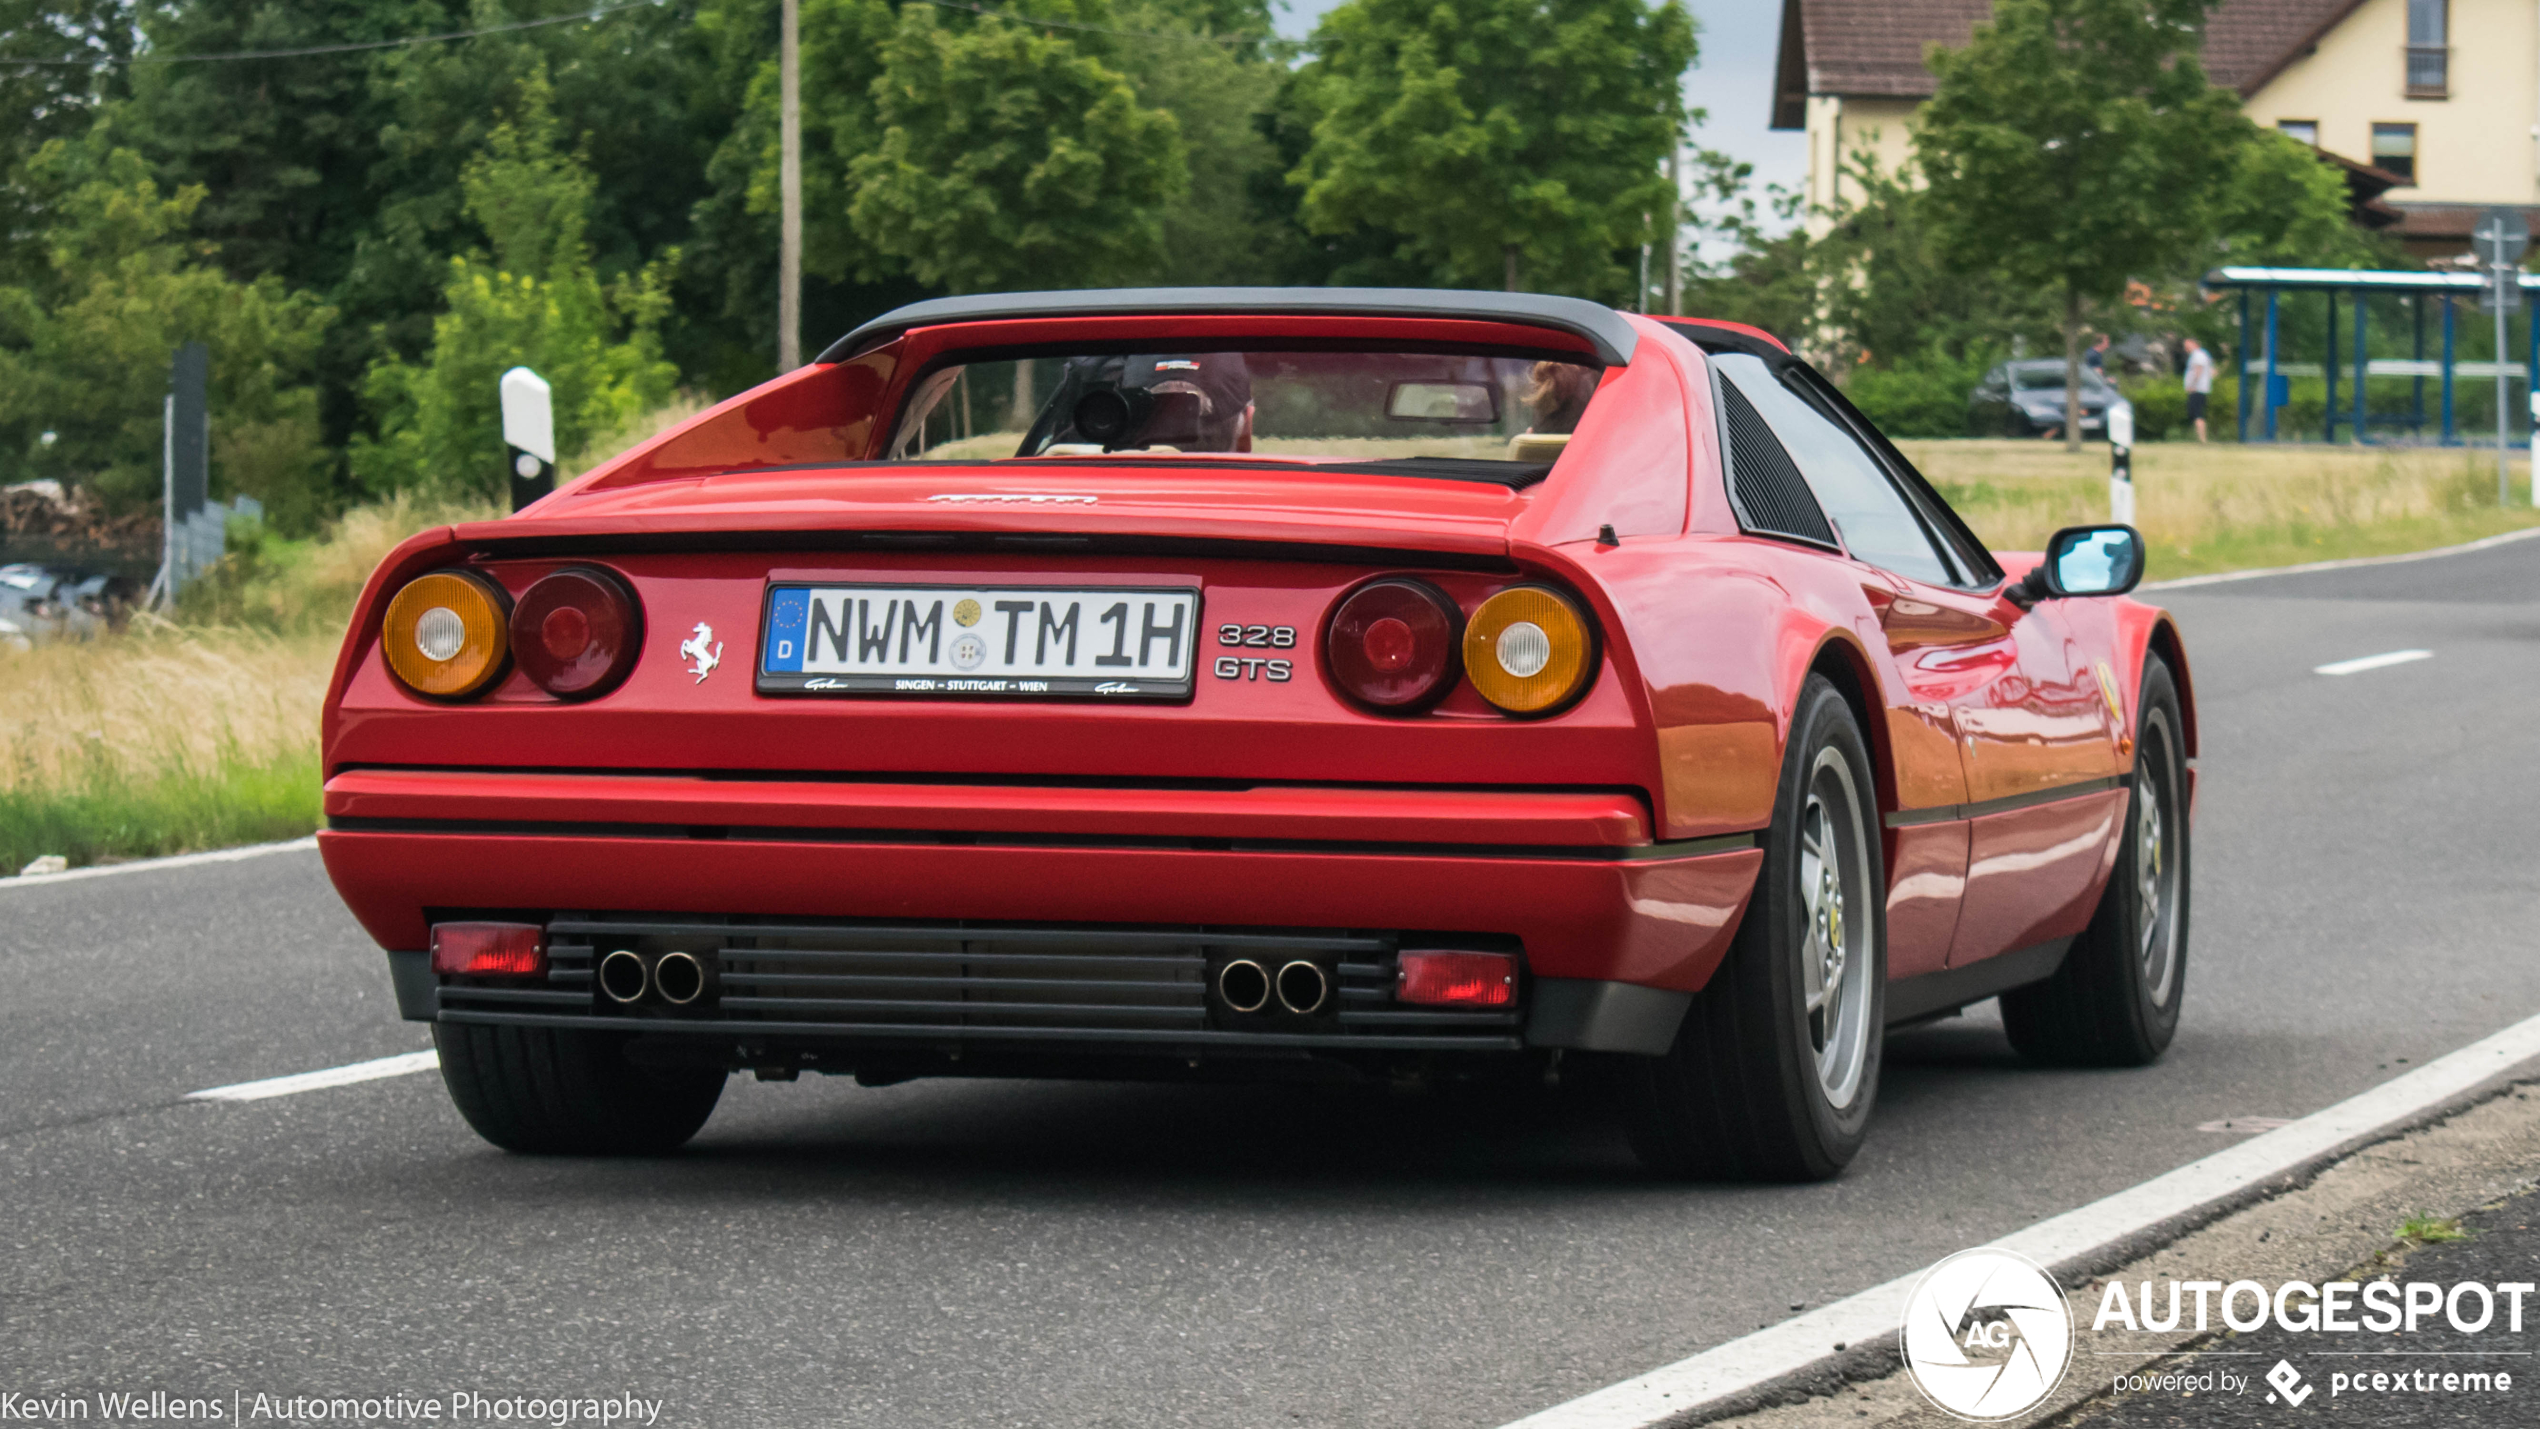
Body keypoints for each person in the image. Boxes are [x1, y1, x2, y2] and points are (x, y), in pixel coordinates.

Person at [2182, 337, 2216, 443]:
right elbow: (2213, 372)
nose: (2185, 347)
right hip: (2200, 388)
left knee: (2197, 414)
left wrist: (2193, 385)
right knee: (2196, 414)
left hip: (2197, 389)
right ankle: (2201, 438)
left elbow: (2198, 370)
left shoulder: (2198, 355)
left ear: (2194, 343)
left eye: (2187, 344)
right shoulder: (2203, 355)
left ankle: (2202, 439)